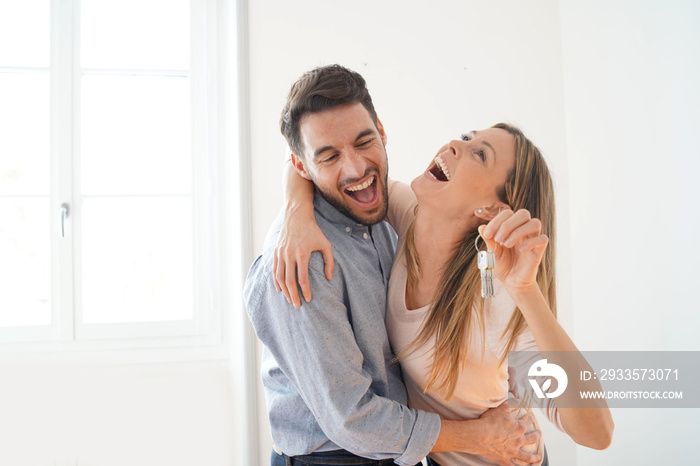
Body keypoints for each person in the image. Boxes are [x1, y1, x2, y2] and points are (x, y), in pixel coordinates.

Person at [274, 77, 615, 464]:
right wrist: (295, 213)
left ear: (493, 211)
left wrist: (526, 291)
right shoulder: (404, 213)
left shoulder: (500, 299)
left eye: (480, 154)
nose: (456, 144)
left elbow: (598, 433)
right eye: (467, 137)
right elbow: (320, 166)